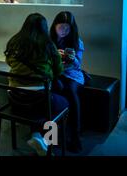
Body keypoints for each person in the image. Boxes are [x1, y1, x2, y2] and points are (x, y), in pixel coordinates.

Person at [5, 13, 68, 156]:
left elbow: (9, 62)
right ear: (44, 28)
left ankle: (37, 136)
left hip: (15, 98)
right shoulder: (48, 45)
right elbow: (58, 71)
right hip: (39, 99)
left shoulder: (14, 42)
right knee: (62, 103)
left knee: (40, 106)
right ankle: (48, 143)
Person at [50, 11, 84, 153]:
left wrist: (72, 57)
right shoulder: (49, 40)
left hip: (71, 74)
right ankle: (51, 138)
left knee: (70, 91)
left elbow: (78, 65)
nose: (63, 31)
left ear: (72, 28)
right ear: (55, 26)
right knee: (50, 92)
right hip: (54, 73)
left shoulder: (77, 41)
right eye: (61, 27)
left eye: (67, 28)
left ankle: (75, 137)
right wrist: (55, 56)